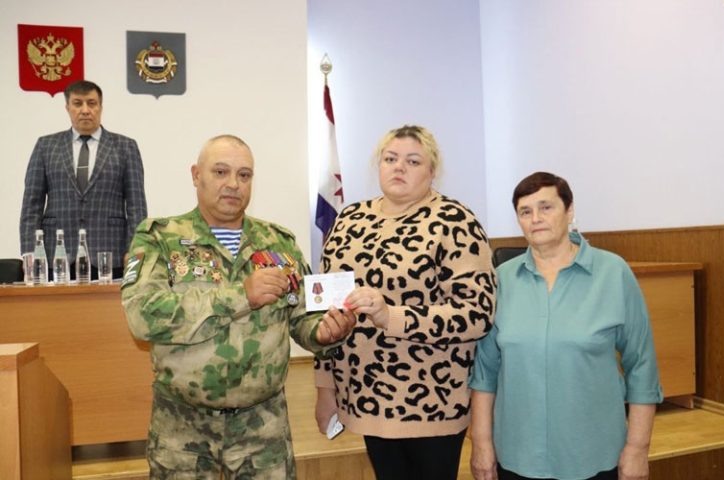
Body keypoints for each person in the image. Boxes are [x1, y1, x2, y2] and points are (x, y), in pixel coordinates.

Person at [121, 134, 356, 479]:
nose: (233, 183)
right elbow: (142, 316)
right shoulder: (160, 238)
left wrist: (325, 332)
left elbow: (303, 317)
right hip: (182, 427)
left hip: (262, 427)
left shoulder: (279, 243)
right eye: (221, 172)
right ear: (196, 175)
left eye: (244, 175)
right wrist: (241, 295)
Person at [314, 125, 497, 480]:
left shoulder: (454, 221)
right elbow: (327, 310)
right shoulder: (349, 220)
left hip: (432, 403)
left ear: (432, 171)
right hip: (364, 396)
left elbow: (477, 314)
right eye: (390, 159)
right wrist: (325, 387)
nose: (399, 167)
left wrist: (392, 316)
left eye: (413, 161)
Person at [469, 172, 663, 480]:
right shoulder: (501, 280)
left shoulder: (612, 272)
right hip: (518, 455)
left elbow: (642, 365)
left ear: (569, 211)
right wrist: (481, 443)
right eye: (525, 211)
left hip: (593, 454)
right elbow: (484, 372)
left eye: (546, 207)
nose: (535, 219)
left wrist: (638, 447)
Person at [19, 80, 147, 280]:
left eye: (92, 103)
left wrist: (135, 250)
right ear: (67, 107)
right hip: (56, 255)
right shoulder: (46, 146)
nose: (85, 110)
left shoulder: (125, 147)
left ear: (101, 107)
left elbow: (136, 206)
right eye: (78, 103)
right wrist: (30, 252)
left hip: (110, 255)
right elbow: (31, 205)